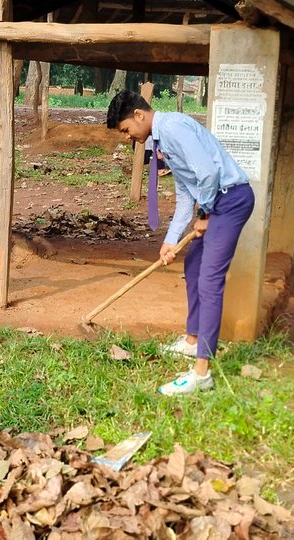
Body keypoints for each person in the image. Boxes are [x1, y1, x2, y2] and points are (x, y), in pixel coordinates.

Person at [105, 89, 253, 396]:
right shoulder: (160, 141)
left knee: (210, 281)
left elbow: (208, 172)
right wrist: (170, 241)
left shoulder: (172, 127)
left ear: (139, 116)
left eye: (126, 130)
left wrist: (207, 212)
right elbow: (187, 194)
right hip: (216, 202)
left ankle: (202, 373)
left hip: (231, 200)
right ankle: (192, 340)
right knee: (194, 263)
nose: (129, 137)